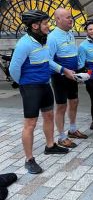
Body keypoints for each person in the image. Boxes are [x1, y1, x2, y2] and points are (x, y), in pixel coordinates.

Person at [9, 10, 68, 174]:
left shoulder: (45, 40)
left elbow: (47, 60)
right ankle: (29, 160)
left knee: (48, 115)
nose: (48, 26)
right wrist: (24, 83)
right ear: (35, 26)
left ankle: (50, 146)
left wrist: (63, 70)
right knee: (30, 124)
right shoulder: (24, 44)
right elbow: (13, 68)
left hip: (44, 84)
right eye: (45, 23)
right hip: (31, 88)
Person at [48, 7, 87, 148]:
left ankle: (72, 129)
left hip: (72, 75)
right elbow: (48, 60)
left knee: (75, 101)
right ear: (58, 19)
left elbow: (72, 53)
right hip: (59, 77)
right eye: (67, 17)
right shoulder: (52, 37)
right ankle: (61, 137)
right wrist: (64, 71)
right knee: (61, 106)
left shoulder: (70, 33)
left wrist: (81, 70)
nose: (71, 19)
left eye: (71, 17)